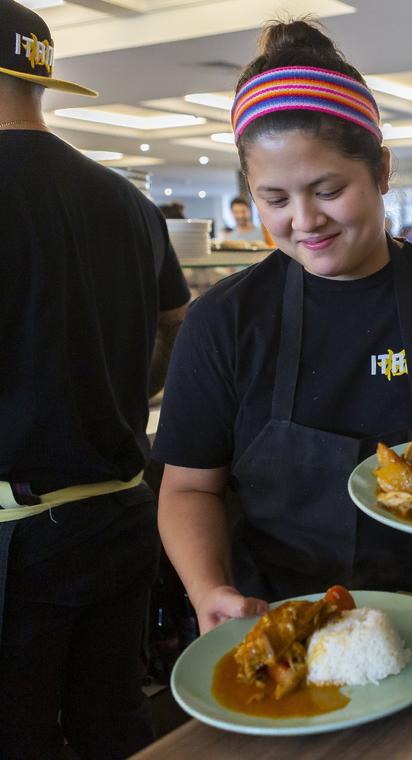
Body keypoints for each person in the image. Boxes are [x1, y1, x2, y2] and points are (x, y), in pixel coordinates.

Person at [153, 20, 412, 634]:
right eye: (275, 199)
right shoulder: (223, 320)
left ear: (381, 170)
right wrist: (209, 590)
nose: (305, 220)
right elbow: (188, 489)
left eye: (328, 189)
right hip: (283, 621)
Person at [0, 2, 191, 756]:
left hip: (19, 528)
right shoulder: (130, 202)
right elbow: (178, 324)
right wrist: (123, 391)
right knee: (112, 720)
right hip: (124, 509)